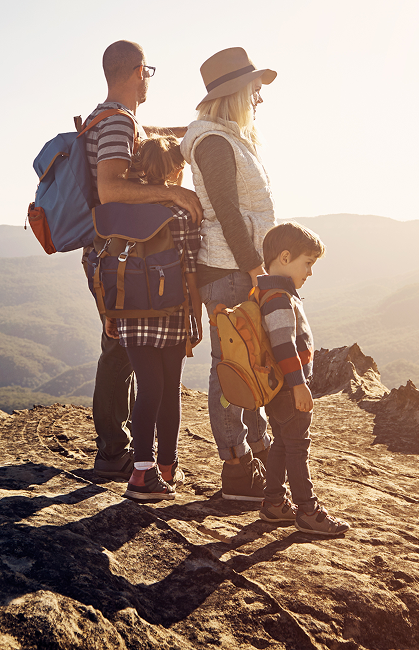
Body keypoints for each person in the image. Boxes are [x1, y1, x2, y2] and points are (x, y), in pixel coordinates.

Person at [84, 40, 203, 478]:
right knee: (120, 352)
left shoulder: (116, 119)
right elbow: (111, 189)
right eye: (148, 71)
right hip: (121, 257)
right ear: (138, 72)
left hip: (118, 254)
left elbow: (145, 144)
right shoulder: (116, 123)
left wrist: (195, 132)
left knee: (123, 348)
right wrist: (172, 192)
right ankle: (117, 454)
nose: (148, 78)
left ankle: (127, 453)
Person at [179, 47, 277, 501]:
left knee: (247, 362)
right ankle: (237, 468)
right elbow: (228, 213)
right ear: (236, 92)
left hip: (236, 268)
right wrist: (256, 268)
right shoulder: (215, 142)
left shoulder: (226, 137)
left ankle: (255, 453)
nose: (260, 98)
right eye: (255, 89)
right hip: (229, 270)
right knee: (232, 367)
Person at [106, 135, 203, 501]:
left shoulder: (121, 212)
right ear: (176, 170)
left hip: (130, 314)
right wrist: (197, 318)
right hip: (171, 314)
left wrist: (108, 312)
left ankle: (148, 469)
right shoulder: (180, 214)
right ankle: (155, 470)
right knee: (167, 392)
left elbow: (110, 265)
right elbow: (190, 270)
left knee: (149, 388)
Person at [256, 221, 350, 536]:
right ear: (285, 257)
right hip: (288, 388)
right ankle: (308, 510)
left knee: (282, 444)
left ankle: (273, 503)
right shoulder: (278, 298)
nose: (309, 272)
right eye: (307, 263)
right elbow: (283, 346)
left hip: (277, 389)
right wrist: (299, 385)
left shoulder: (269, 292)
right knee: (297, 448)